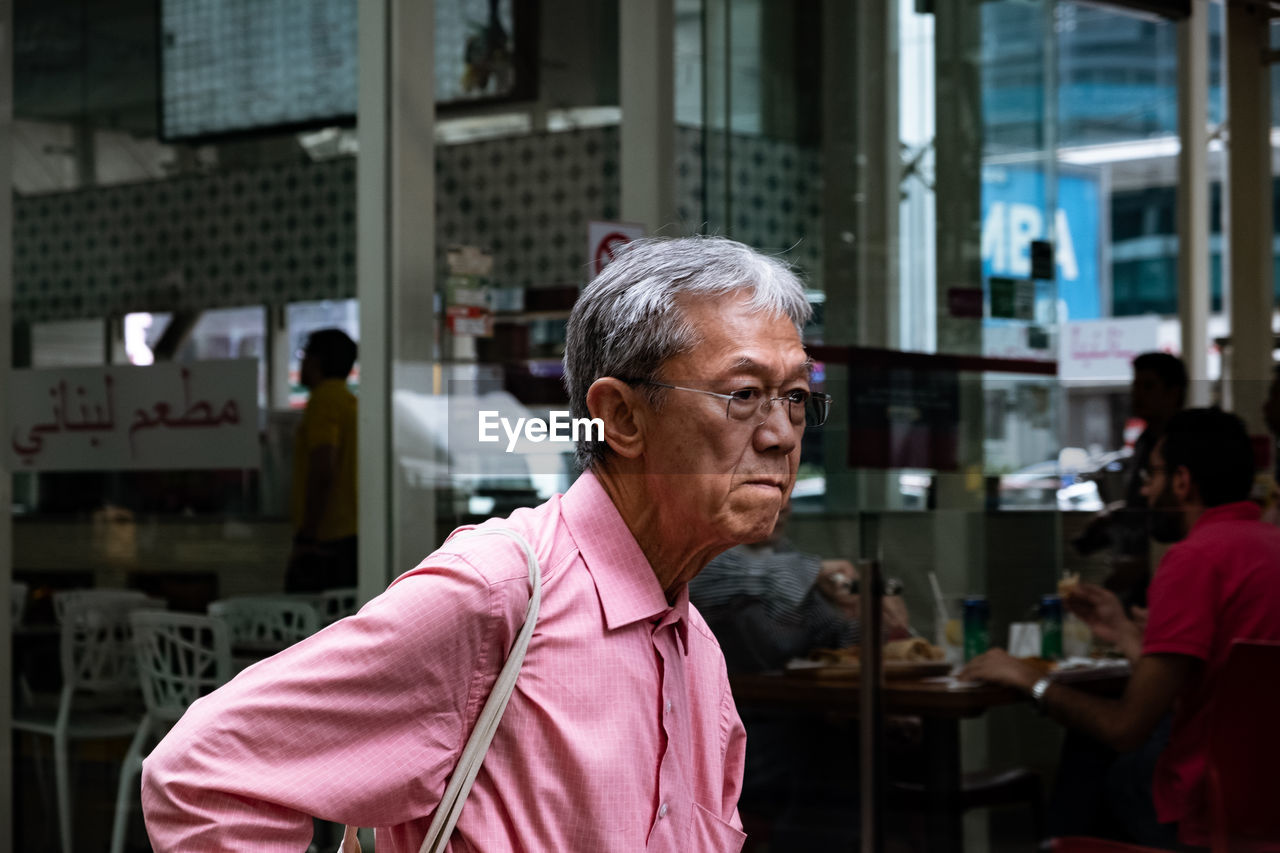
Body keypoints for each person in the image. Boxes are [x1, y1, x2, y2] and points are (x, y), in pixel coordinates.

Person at [141, 236, 829, 851]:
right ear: (620, 415)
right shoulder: (497, 591)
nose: (781, 433)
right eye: (744, 393)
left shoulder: (696, 646)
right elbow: (202, 773)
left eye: (796, 396)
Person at [961, 408, 1280, 849]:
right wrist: (1129, 637)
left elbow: (1126, 727)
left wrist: (1030, 680)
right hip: (1265, 800)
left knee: (1092, 752)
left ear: (1183, 481)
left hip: (1207, 808)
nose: (1145, 491)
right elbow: (1220, 683)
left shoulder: (1195, 560)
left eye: (1152, 475)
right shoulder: (1268, 545)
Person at [689, 499, 910, 674]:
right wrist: (818, 571)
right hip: (734, 710)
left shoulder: (787, 556)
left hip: (791, 706)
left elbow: (829, 639)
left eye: (788, 494)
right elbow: (738, 575)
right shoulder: (704, 556)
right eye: (769, 491)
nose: (784, 506)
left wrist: (873, 621)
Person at [1074, 351, 1187, 608]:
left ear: (1174, 392)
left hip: (1169, 579)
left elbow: (1185, 521)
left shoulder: (1184, 445)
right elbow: (1144, 504)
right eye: (1135, 385)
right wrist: (1115, 515)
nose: (1137, 394)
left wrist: (1146, 562)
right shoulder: (1144, 442)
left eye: (1148, 386)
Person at [285, 328, 359, 593]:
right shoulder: (350, 401)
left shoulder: (324, 401)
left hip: (327, 539)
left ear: (316, 361)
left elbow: (323, 467)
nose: (301, 363)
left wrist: (307, 534)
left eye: (303, 356)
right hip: (351, 534)